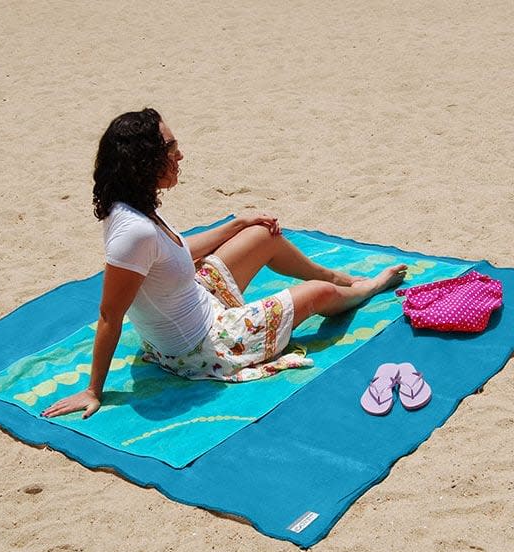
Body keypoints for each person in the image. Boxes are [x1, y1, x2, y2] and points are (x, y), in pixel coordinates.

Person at [42, 108, 406, 419]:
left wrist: (237, 224)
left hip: (199, 304)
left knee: (262, 235)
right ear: (145, 161)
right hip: (202, 349)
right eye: (171, 148)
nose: (180, 155)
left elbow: (176, 251)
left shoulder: (132, 207)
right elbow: (109, 315)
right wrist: (93, 390)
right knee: (318, 294)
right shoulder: (132, 233)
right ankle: (368, 287)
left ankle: (335, 274)